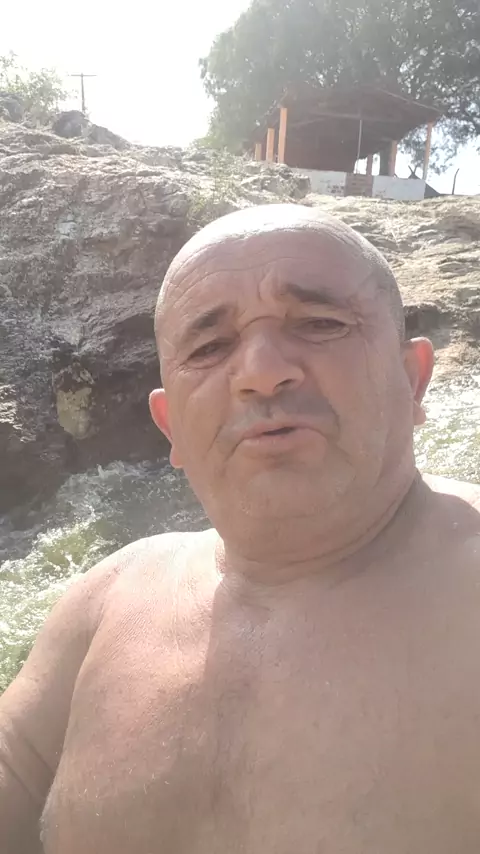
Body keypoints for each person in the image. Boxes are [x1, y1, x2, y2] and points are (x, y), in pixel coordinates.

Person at [1, 203, 480, 854]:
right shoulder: (102, 606)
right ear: (171, 426)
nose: (260, 371)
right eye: (208, 347)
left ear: (413, 379)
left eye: (320, 323)